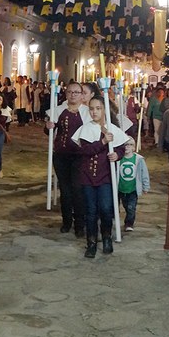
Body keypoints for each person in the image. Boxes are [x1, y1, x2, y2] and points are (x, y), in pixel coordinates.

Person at [71, 95, 130, 258]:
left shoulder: (112, 129)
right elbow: (85, 151)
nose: (94, 112)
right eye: (91, 108)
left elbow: (120, 148)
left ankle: (106, 238)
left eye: (98, 108)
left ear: (105, 110)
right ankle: (91, 242)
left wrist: (117, 155)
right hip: (88, 177)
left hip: (105, 177)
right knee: (90, 210)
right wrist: (103, 142)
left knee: (105, 208)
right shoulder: (85, 129)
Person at [45, 82, 91, 237]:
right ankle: (66, 221)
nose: (73, 95)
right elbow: (50, 130)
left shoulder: (87, 112)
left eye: (76, 92)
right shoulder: (58, 111)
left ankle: (80, 223)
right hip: (62, 155)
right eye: (70, 92)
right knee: (65, 190)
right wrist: (48, 126)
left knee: (78, 189)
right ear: (66, 94)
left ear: (81, 94)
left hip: (79, 156)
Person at [117, 138, 151, 232]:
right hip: (120, 188)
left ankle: (129, 223)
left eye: (130, 144)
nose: (127, 146)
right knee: (123, 205)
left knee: (131, 207)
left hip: (132, 188)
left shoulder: (138, 160)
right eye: (125, 145)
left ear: (134, 147)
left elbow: (144, 173)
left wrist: (145, 186)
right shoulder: (118, 159)